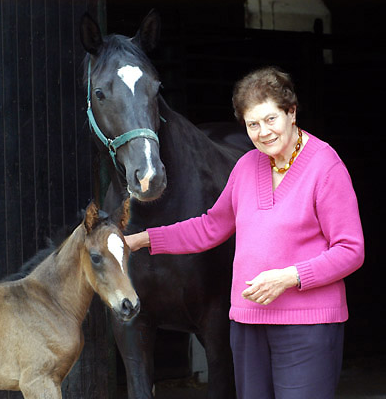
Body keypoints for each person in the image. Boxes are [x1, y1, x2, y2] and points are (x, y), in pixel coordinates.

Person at [125, 66, 365, 399]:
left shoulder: (325, 166)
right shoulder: (247, 166)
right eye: (253, 124)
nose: (263, 132)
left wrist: (289, 277)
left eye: (271, 119)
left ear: (291, 112)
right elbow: (210, 226)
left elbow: (350, 249)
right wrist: (145, 239)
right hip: (248, 324)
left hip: (307, 326)